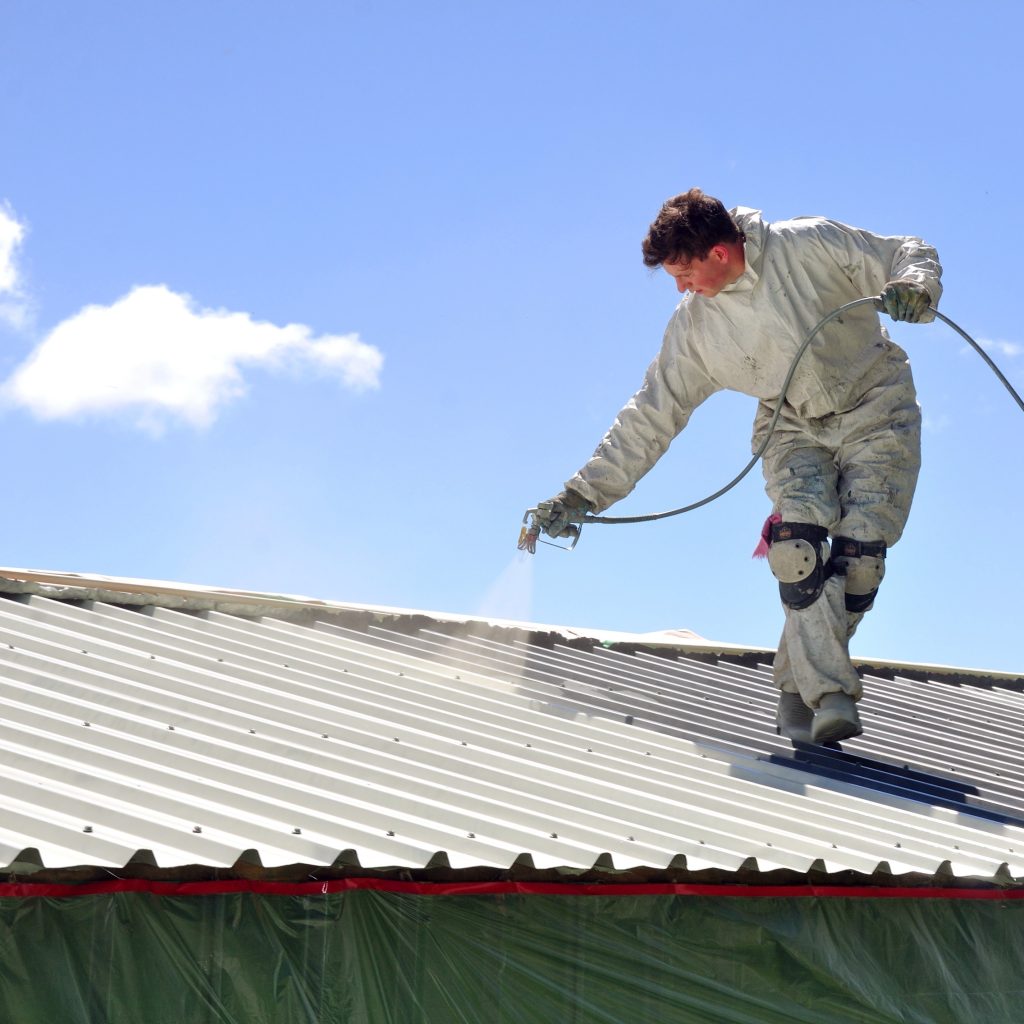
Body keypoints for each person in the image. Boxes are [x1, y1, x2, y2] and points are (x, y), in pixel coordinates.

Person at [534, 188, 942, 745]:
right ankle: (831, 694)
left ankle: (794, 687)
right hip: (791, 424)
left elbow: (904, 250)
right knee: (795, 549)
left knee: (861, 558)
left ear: (719, 254)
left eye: (684, 273)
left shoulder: (808, 244)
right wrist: (584, 494)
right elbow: (651, 413)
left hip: (879, 407)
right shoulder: (695, 329)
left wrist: (915, 285)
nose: (681, 287)